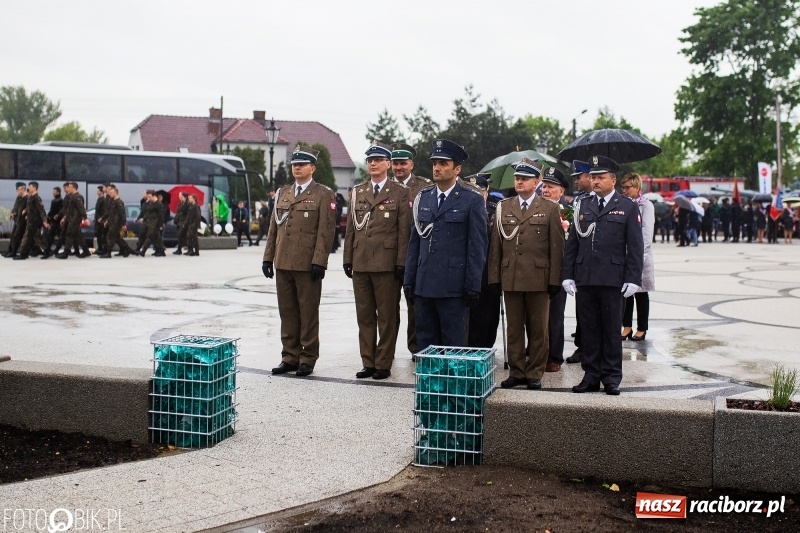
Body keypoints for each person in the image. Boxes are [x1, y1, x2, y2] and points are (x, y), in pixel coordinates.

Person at [561, 155, 644, 396]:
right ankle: (591, 375)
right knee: (589, 329)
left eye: (600, 177)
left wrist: (633, 278)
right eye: (593, 177)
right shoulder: (583, 204)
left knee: (610, 329)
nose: (595, 181)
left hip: (612, 278)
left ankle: (611, 376)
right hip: (585, 276)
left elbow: (635, 246)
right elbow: (573, 243)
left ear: (613, 180)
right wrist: (568, 274)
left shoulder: (627, 206)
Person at [403, 139, 487, 351]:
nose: (437, 168)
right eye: (435, 163)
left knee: (453, 346)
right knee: (426, 346)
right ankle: (430, 376)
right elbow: (415, 242)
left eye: (443, 163)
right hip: (424, 285)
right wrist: (409, 279)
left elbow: (477, 247)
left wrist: (472, 285)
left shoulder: (472, 199)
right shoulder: (424, 197)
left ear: (457, 169)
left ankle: (452, 376)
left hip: (454, 288)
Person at [262, 144, 336, 377]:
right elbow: (273, 228)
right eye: (294, 164)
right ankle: (289, 356)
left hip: (306, 264)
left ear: (312, 168)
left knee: (308, 313)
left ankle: (307, 357)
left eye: (302, 164)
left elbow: (326, 231)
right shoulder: (283, 193)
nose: (297, 168)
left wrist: (320, 261)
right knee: (287, 312)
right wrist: (268, 258)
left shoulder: (323, 194)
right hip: (283, 261)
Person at [489, 161, 564, 390]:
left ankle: (534, 372)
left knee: (539, 328)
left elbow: (556, 248)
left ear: (537, 181)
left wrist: (555, 280)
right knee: (513, 328)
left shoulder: (549, 208)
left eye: (525, 178)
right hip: (511, 275)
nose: (519, 181)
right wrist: (494, 277)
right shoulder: (504, 207)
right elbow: (496, 246)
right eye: (517, 178)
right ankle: (517, 371)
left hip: (538, 277)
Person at [343, 141, 410, 380]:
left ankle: (383, 362)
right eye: (370, 160)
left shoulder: (399, 192)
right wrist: (347, 258)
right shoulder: (358, 191)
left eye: (378, 160)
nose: (373, 164)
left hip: (386, 263)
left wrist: (401, 262)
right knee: (364, 315)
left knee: (387, 316)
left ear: (388, 164)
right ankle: (368, 362)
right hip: (361, 260)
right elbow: (351, 228)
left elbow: (404, 231)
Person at [390, 142, 432, 356]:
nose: (399, 168)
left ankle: (416, 347)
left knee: (416, 306)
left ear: (411, 165)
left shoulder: (425, 187)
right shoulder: (385, 186)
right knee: (388, 308)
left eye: (403, 163)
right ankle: (386, 352)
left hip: (415, 256)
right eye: (395, 163)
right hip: (388, 256)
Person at [465, 172, 501, 349]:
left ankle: (485, 348)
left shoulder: (496, 211)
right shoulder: (462, 208)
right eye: (473, 190)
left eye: (481, 191)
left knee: (488, 315)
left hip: (488, 272)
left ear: (487, 192)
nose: (478, 194)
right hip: (467, 270)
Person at [539, 167, 571, 372]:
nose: (546, 190)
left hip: (559, 270)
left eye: (551, 187)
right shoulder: (536, 208)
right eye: (544, 186)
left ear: (561, 191)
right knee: (535, 315)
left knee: (555, 315)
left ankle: (554, 356)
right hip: (536, 269)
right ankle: (537, 352)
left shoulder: (568, 212)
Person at [620, 174, 655, 342]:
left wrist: (638, 258)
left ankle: (642, 328)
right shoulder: (623, 204)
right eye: (623, 187)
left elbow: (646, 235)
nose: (624, 191)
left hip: (641, 256)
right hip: (623, 255)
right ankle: (626, 326)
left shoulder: (646, 205)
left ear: (637, 187)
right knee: (625, 293)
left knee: (641, 294)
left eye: (628, 187)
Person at [565, 160, 593, 365]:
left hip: (604, 267)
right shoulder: (579, 201)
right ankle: (582, 346)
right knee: (582, 310)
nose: (576, 181)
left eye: (579, 177)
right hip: (582, 264)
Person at [13, 182, 50, 260]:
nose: (28, 188)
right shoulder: (30, 197)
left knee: (29, 238)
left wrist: (44, 221)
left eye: (30, 187)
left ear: (34, 188)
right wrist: (26, 211)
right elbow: (30, 207)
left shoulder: (37, 198)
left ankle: (23, 254)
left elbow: (42, 210)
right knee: (33, 238)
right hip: (30, 221)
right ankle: (25, 254)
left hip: (34, 222)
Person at [56, 182, 90, 259]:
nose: (67, 189)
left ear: (73, 188)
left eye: (69, 187)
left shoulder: (78, 197)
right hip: (70, 218)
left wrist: (85, 218)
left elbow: (81, 208)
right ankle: (86, 251)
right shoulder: (72, 197)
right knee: (78, 236)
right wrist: (65, 218)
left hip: (75, 219)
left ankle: (66, 253)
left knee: (69, 234)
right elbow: (69, 209)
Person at [99, 185, 133, 258]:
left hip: (116, 223)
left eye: (111, 193)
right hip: (112, 222)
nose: (109, 194)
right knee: (117, 238)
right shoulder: (112, 201)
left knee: (110, 237)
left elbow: (122, 214)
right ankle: (127, 249)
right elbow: (109, 212)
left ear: (115, 193)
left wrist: (124, 224)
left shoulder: (119, 202)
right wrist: (105, 219)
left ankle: (108, 253)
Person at [3, 182, 28, 258]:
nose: (17, 191)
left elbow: (29, 207)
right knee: (13, 236)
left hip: (22, 220)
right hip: (17, 220)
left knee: (17, 236)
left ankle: (14, 252)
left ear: (23, 189)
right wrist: (12, 213)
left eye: (18, 189)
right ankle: (10, 250)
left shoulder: (27, 198)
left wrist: (25, 210)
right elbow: (15, 207)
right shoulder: (19, 197)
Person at [137, 190, 166, 257]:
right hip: (149, 223)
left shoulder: (159, 204)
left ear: (154, 196)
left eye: (150, 197)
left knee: (149, 236)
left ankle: (143, 251)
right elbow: (146, 211)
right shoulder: (150, 203)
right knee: (158, 238)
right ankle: (162, 252)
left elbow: (161, 215)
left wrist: (161, 224)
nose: (149, 198)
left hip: (155, 223)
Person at [42, 186, 64, 258]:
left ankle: (48, 251)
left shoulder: (57, 200)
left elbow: (52, 211)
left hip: (55, 221)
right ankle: (55, 250)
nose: (53, 193)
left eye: (54, 191)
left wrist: (48, 218)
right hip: (57, 220)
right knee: (60, 236)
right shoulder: (59, 200)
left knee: (50, 236)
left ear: (58, 192)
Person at [93, 185, 108, 255]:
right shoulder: (99, 199)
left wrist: (102, 218)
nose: (97, 192)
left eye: (98, 191)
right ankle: (99, 248)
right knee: (97, 234)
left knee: (101, 235)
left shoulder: (103, 200)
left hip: (101, 221)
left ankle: (102, 248)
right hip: (97, 220)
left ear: (102, 192)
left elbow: (104, 211)